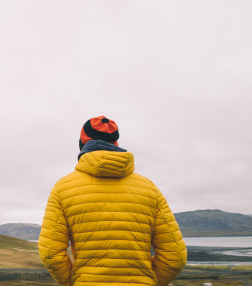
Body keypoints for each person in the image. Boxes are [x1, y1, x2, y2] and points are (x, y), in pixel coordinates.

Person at [38, 116, 187, 286]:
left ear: (83, 143)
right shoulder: (149, 189)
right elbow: (175, 257)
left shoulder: (62, 188)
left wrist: (73, 282)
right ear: (115, 143)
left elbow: (50, 253)